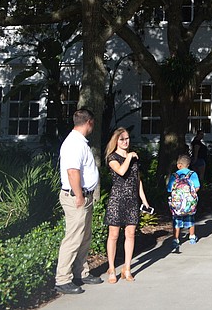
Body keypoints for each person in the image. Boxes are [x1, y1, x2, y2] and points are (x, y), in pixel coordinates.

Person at [55, 108, 103, 295]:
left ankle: (81, 272)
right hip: (76, 196)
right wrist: (79, 197)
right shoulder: (74, 143)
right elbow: (72, 171)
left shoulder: (80, 142)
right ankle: (62, 279)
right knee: (73, 239)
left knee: (84, 237)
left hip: (83, 195)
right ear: (89, 122)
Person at [104, 127, 151, 283]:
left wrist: (144, 200)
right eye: (122, 139)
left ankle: (127, 268)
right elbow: (122, 172)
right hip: (117, 200)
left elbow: (138, 180)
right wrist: (129, 157)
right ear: (116, 141)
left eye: (127, 138)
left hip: (132, 200)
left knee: (130, 234)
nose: (125, 142)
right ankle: (111, 268)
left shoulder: (133, 158)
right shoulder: (112, 157)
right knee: (114, 235)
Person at [167, 154, 201, 249]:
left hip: (177, 204)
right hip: (189, 203)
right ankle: (192, 236)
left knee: (176, 220)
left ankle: (176, 239)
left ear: (179, 165)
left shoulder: (174, 175)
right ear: (188, 164)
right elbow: (197, 186)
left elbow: (170, 189)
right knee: (190, 218)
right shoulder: (192, 174)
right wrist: (190, 194)